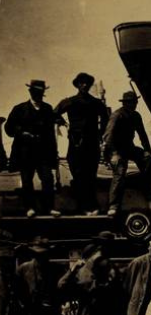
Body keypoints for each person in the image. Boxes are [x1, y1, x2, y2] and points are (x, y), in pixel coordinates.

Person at [55, 73, 109, 215]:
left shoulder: (96, 103)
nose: (84, 85)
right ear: (77, 85)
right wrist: (64, 123)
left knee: (90, 176)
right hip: (75, 144)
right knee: (78, 176)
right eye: (82, 83)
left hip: (91, 145)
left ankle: (91, 206)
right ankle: (83, 207)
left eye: (87, 83)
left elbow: (106, 118)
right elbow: (53, 113)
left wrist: (101, 134)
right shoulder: (69, 101)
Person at [5, 80, 59, 217]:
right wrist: (22, 132)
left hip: (44, 152)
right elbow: (8, 128)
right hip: (25, 152)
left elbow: (51, 134)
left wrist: (54, 153)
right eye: (35, 91)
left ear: (43, 93)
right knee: (27, 180)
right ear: (30, 92)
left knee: (48, 179)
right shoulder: (19, 109)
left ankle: (49, 208)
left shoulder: (47, 109)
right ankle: (30, 208)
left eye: (40, 92)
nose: (38, 94)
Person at [102, 91, 151, 217]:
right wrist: (114, 154)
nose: (134, 105)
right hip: (115, 149)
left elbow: (142, 135)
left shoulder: (136, 116)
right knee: (120, 172)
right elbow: (108, 136)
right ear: (126, 103)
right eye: (132, 103)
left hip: (129, 147)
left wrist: (148, 151)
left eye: (135, 102)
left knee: (149, 158)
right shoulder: (117, 115)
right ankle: (113, 205)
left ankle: (149, 189)